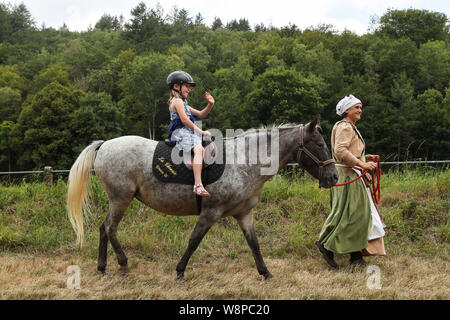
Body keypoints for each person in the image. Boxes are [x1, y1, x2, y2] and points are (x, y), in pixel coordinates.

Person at [315, 94, 386, 269]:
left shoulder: (346, 126)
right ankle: (340, 251)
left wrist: (364, 157)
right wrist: (361, 163)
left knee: (347, 214)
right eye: (356, 107)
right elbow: (340, 151)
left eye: (360, 107)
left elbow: (348, 152)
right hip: (349, 176)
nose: (360, 110)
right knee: (355, 215)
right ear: (347, 110)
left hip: (350, 175)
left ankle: (352, 255)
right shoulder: (345, 127)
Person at [166, 71, 215, 197]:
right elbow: (184, 120)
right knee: (199, 149)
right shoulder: (177, 101)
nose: (189, 89)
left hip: (188, 132)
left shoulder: (184, 103)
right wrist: (201, 131)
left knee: (203, 149)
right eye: (187, 86)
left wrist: (210, 104)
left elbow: (201, 114)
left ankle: (194, 166)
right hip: (181, 132)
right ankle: (197, 185)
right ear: (177, 86)